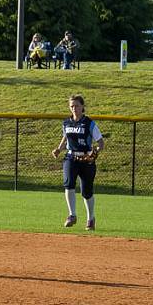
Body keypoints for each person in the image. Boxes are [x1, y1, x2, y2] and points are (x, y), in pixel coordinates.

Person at [51, 94, 104, 231]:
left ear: (82, 107)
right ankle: (72, 215)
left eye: (77, 106)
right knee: (68, 184)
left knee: (87, 192)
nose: (74, 108)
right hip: (71, 157)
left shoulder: (89, 123)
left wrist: (95, 152)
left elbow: (100, 142)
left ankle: (90, 218)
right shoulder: (66, 123)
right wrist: (58, 149)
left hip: (86, 160)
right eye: (72, 106)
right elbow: (65, 138)